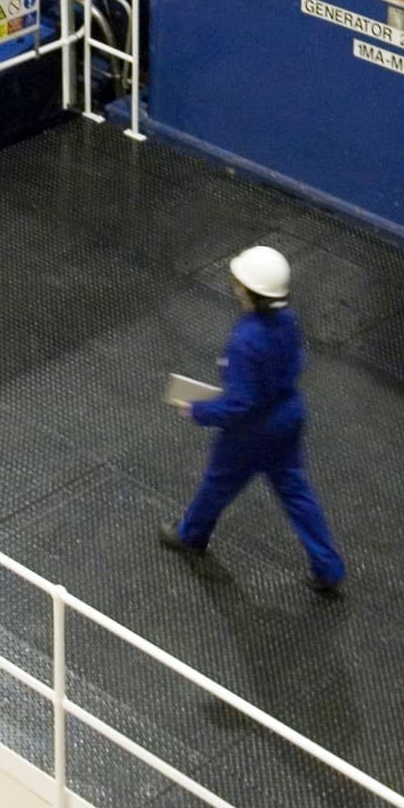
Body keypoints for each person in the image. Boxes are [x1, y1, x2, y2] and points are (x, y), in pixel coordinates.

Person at [161, 245, 347, 596]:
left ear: (248, 291)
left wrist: (199, 411)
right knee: (296, 491)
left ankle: (191, 535)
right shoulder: (288, 320)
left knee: (218, 483)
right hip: (288, 415)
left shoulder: (246, 340)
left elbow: (240, 405)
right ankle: (328, 567)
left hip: (251, 432)